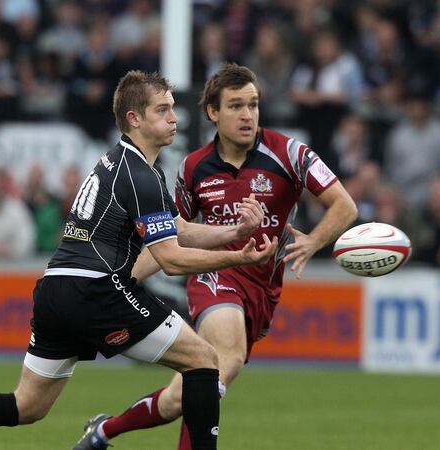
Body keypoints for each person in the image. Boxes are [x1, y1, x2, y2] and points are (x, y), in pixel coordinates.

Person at [0, 70, 278, 450]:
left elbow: (177, 227)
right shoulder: (141, 175)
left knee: (27, 405)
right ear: (134, 118)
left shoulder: (117, 162)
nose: (175, 118)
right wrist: (234, 259)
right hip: (97, 288)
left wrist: (235, 236)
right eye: (162, 110)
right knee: (205, 362)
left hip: (56, 287)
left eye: (173, 108)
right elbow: (170, 259)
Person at [73, 63, 357, 450]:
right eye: (236, 106)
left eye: (253, 105)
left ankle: (103, 432)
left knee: (179, 398)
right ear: (212, 112)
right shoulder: (193, 168)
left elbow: (344, 205)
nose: (247, 115)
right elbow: (171, 237)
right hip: (215, 278)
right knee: (227, 358)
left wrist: (314, 241)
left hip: (262, 289)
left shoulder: (289, 153)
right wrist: (125, 280)